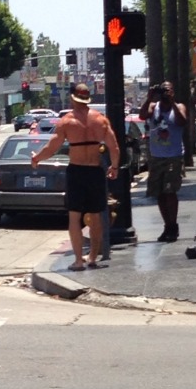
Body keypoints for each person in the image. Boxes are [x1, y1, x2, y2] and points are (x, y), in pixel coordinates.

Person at [31, 83, 120, 271]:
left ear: (72, 98)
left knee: (74, 217)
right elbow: (114, 147)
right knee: (96, 216)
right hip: (95, 171)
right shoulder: (101, 120)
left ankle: (79, 260)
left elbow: (52, 147)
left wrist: (37, 158)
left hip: (77, 171)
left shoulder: (67, 121)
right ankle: (93, 258)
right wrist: (114, 166)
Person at [139, 81, 187, 242]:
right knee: (158, 193)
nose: (165, 93)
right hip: (156, 156)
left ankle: (173, 225)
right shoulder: (154, 106)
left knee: (170, 191)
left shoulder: (179, 106)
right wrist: (149, 98)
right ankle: (167, 225)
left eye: (168, 90)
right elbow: (142, 115)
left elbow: (182, 121)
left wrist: (172, 102)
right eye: (163, 90)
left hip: (173, 156)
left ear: (173, 92)